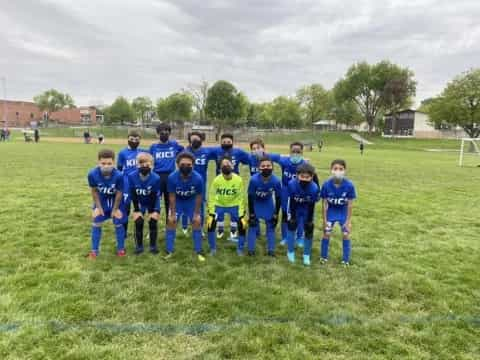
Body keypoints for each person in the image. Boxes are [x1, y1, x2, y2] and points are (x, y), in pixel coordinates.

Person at [87, 149, 127, 258]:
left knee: (118, 222)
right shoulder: (92, 174)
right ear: (98, 162)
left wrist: (115, 210)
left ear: (114, 163)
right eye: (103, 163)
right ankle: (94, 251)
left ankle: (121, 249)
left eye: (109, 163)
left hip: (116, 201)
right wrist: (98, 208)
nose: (106, 166)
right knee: (96, 222)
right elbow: (94, 191)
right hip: (102, 200)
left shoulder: (119, 175)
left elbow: (119, 193)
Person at [166, 152, 205, 261]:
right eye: (183, 164)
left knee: (197, 222)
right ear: (177, 165)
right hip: (178, 201)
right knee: (171, 222)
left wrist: (197, 213)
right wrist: (172, 213)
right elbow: (172, 196)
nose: (186, 167)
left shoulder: (198, 178)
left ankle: (198, 251)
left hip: (191, 201)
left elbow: (199, 196)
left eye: (189, 165)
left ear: (193, 165)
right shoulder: (172, 177)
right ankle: (169, 250)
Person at [212, 133, 250, 241]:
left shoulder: (238, 152)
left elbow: (250, 159)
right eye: (224, 142)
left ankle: (234, 230)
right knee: (219, 206)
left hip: (234, 183)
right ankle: (220, 228)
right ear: (220, 142)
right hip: (220, 182)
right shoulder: (216, 151)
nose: (226, 144)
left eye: (228, 142)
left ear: (232, 142)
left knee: (235, 207)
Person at [207, 156, 247, 256]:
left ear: (232, 165)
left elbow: (241, 197)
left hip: (234, 205)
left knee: (243, 225)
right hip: (219, 205)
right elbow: (211, 196)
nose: (226, 166)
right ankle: (213, 248)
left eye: (228, 164)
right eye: (223, 165)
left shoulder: (239, 180)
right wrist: (211, 212)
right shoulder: (216, 180)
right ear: (220, 168)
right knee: (210, 224)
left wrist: (241, 213)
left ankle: (240, 249)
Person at [320, 159, 356, 265]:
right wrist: (325, 220)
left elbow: (350, 204)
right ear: (331, 170)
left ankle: (345, 260)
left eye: (341, 169)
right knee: (326, 232)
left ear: (345, 170)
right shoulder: (326, 185)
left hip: (343, 212)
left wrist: (348, 221)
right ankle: (323, 257)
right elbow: (325, 204)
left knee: (346, 234)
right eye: (335, 169)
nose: (338, 171)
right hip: (331, 212)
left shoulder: (349, 185)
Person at [286, 163, 320, 266]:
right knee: (291, 227)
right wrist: (292, 216)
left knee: (309, 230)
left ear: (312, 177)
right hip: (295, 207)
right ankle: (290, 251)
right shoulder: (292, 184)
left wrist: (309, 220)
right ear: (297, 175)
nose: (304, 179)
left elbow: (312, 205)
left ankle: (306, 255)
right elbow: (292, 201)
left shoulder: (314, 188)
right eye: (302, 176)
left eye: (307, 177)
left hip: (307, 208)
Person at [247, 157, 282, 256]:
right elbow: (250, 197)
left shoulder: (276, 181)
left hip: (268, 203)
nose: (266, 168)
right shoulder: (254, 180)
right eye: (263, 166)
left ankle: (271, 250)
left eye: (268, 166)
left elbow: (278, 198)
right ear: (259, 168)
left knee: (271, 226)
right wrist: (252, 213)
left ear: (272, 167)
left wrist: (276, 213)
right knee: (252, 225)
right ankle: (251, 250)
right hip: (256, 202)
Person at [182, 131, 216, 234]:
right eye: (192, 139)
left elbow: (219, 153)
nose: (195, 141)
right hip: (186, 181)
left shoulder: (207, 151)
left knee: (200, 204)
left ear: (201, 140)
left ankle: (199, 227)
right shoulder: (185, 152)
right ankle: (184, 226)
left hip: (201, 183)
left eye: (197, 139)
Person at [149, 123, 184, 223]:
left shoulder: (174, 145)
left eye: (166, 133)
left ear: (169, 134)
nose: (164, 135)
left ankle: (169, 224)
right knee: (155, 201)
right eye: (161, 133)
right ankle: (153, 224)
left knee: (170, 201)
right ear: (157, 134)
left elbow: (183, 151)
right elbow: (149, 160)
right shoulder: (153, 147)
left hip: (170, 177)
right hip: (157, 177)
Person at [128, 153, 161, 254]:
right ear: (137, 164)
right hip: (139, 202)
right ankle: (139, 246)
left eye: (147, 164)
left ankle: (153, 246)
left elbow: (155, 195)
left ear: (152, 165)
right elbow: (133, 194)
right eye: (141, 163)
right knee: (138, 222)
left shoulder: (156, 177)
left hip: (152, 201)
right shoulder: (131, 176)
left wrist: (152, 211)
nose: (144, 166)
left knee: (153, 221)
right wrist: (137, 210)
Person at [277, 142, 309, 247]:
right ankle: (285, 237)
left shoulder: (305, 164)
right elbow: (271, 156)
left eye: (298, 152)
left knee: (300, 215)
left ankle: (300, 237)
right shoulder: (284, 161)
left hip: (300, 192)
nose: (295, 154)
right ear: (289, 152)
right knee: (286, 214)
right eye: (293, 151)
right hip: (286, 191)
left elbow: (313, 178)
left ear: (302, 152)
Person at [117, 130, 147, 236]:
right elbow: (119, 169)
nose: (134, 141)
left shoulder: (143, 152)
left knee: (141, 207)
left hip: (140, 183)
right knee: (126, 207)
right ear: (128, 139)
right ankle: (123, 231)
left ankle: (138, 230)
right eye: (132, 139)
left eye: (137, 140)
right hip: (127, 184)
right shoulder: (122, 153)